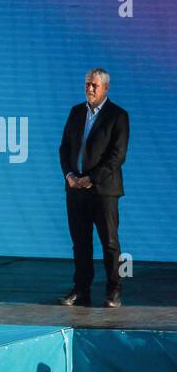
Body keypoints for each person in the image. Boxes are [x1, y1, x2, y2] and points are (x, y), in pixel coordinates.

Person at [59, 68, 128, 308]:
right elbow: (64, 148)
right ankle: (81, 290)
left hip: (103, 190)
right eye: (87, 84)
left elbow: (117, 156)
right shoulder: (76, 112)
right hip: (75, 190)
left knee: (109, 242)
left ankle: (114, 290)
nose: (89, 88)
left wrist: (91, 178)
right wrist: (69, 175)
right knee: (80, 242)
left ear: (105, 88)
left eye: (94, 85)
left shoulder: (118, 116)